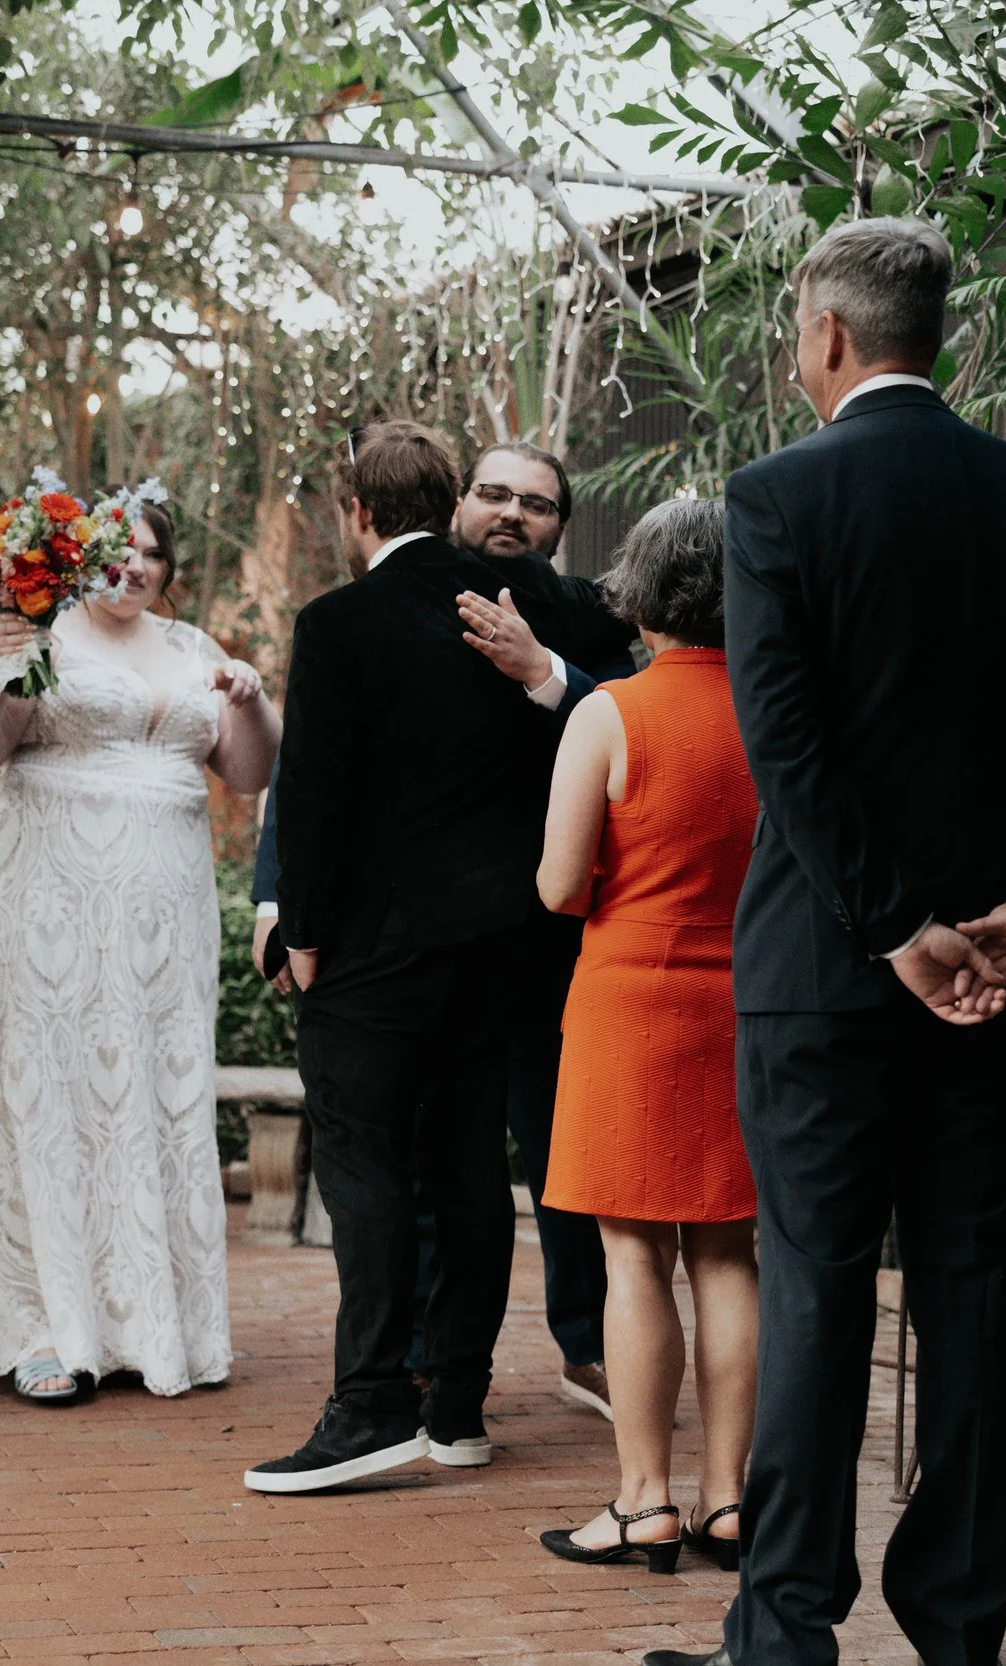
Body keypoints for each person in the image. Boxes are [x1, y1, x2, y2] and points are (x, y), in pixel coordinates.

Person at [640, 219, 1006, 1666]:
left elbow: (788, 744)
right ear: (946, 338)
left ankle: (787, 1635)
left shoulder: (775, 496)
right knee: (961, 1282)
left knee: (813, 1285)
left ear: (823, 334)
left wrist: (890, 928)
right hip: (998, 979)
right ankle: (955, 1632)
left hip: (826, 971)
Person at [0, 499, 278, 1405]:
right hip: (39, 900)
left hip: (162, 926)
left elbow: (250, 773)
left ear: (170, 568)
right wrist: (7, 652)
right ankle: (36, 1326)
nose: (134, 569)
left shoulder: (193, 648)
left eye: (154, 555)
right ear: (80, 562)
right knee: (43, 1094)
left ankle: (145, 1320)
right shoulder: (40, 632)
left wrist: (250, 701)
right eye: (116, 555)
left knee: (150, 1093)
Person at [245, 439, 628, 1420]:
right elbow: (308, 779)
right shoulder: (375, 614)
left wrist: (546, 673)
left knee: (547, 1152)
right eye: (493, 494)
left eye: (533, 503)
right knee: (449, 1162)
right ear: (458, 502)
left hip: (534, 941)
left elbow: (632, 728)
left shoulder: (565, 615)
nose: (511, 513)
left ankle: (578, 1344)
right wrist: (277, 899)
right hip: (443, 942)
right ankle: (435, 1374)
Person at [533, 498, 759, 1576]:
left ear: (639, 593)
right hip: (747, 1005)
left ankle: (641, 1501)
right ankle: (728, 1502)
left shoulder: (608, 713)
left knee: (632, 1256)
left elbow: (557, 884)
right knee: (727, 1252)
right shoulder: (777, 708)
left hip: (631, 1000)